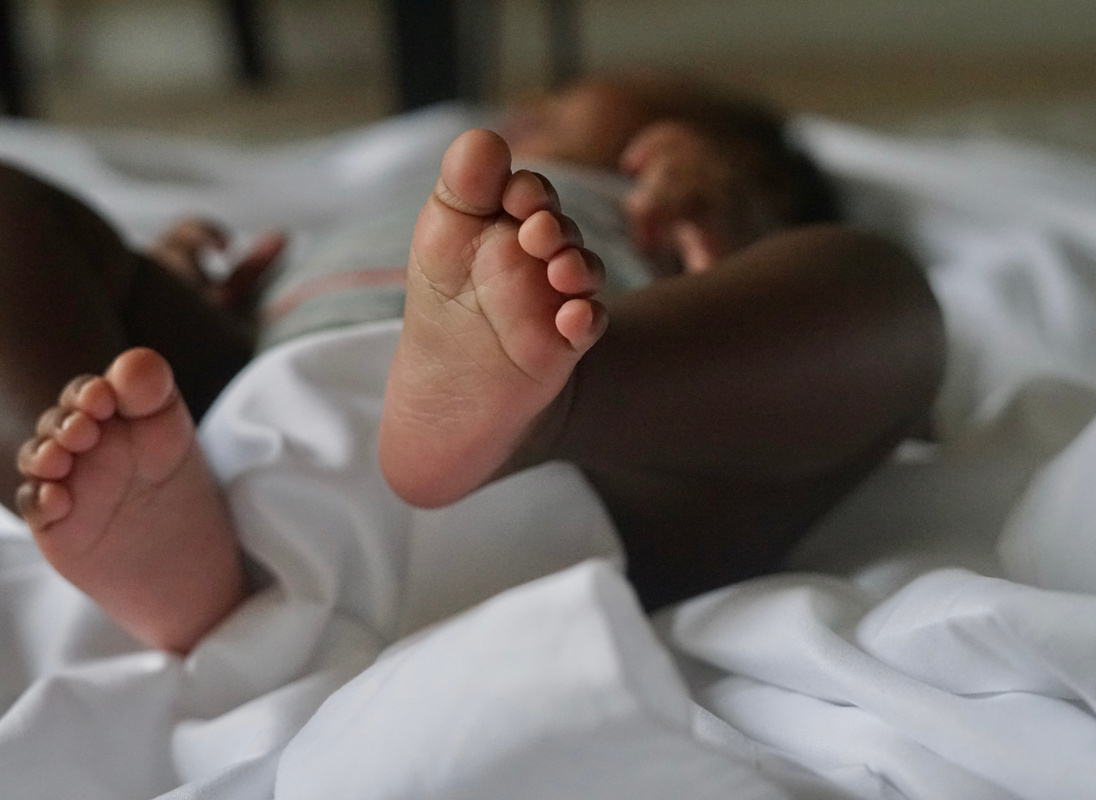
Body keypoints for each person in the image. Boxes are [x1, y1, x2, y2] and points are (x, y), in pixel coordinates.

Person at [7, 73, 945, 654]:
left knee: (874, 287)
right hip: (243, 418)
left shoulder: (670, 211)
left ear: (679, 149)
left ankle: (548, 402)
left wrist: (739, 240)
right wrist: (158, 295)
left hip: (596, 475)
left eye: (566, 102)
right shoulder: (362, 224)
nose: (528, 108)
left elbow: (788, 354)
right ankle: (153, 519)